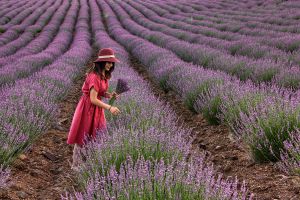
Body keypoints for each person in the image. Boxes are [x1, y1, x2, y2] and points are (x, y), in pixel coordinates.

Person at [67, 48, 121, 170]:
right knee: (83, 135)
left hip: (96, 109)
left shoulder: (104, 76)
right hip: (87, 108)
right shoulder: (94, 77)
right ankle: (77, 166)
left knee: (96, 134)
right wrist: (110, 107)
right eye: (108, 62)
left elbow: (100, 93)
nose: (110, 65)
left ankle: (89, 163)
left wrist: (109, 95)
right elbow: (93, 99)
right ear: (101, 62)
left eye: (111, 62)